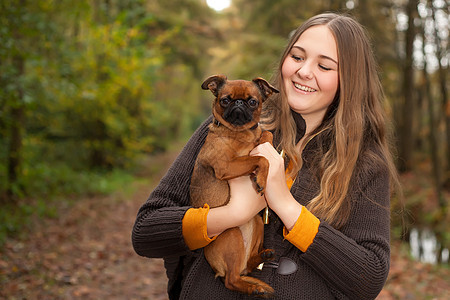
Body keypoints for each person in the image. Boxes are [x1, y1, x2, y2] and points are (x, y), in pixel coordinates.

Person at [132, 12, 400, 300]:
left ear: (350, 79)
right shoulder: (222, 131)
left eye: (324, 65)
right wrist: (233, 214)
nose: (304, 71)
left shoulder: (366, 164)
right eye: (297, 57)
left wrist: (287, 206)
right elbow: (146, 232)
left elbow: (369, 277)